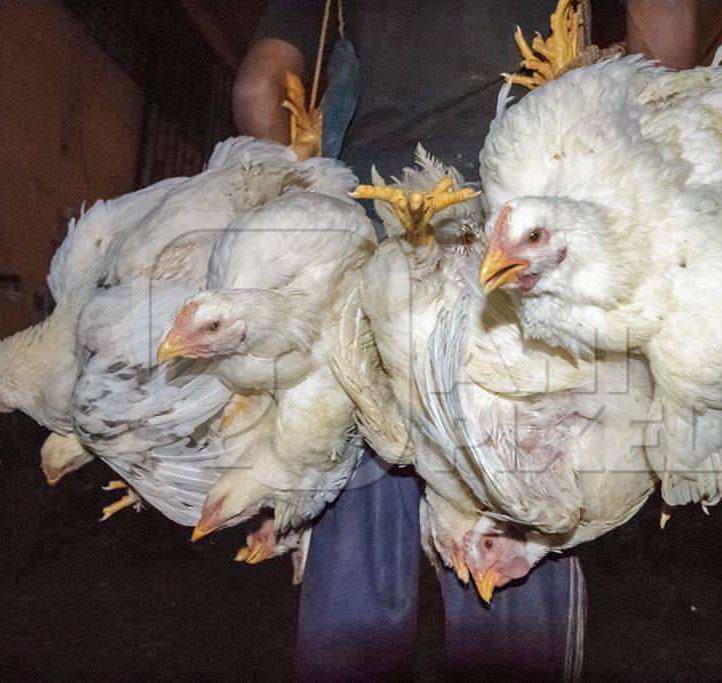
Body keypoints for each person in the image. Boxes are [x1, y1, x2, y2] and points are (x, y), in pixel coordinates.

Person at [232, 1, 697, 679]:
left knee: (353, 596)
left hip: (369, 256)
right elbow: (662, 47)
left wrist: (303, 199)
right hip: (518, 246)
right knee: (509, 565)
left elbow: (257, 86)